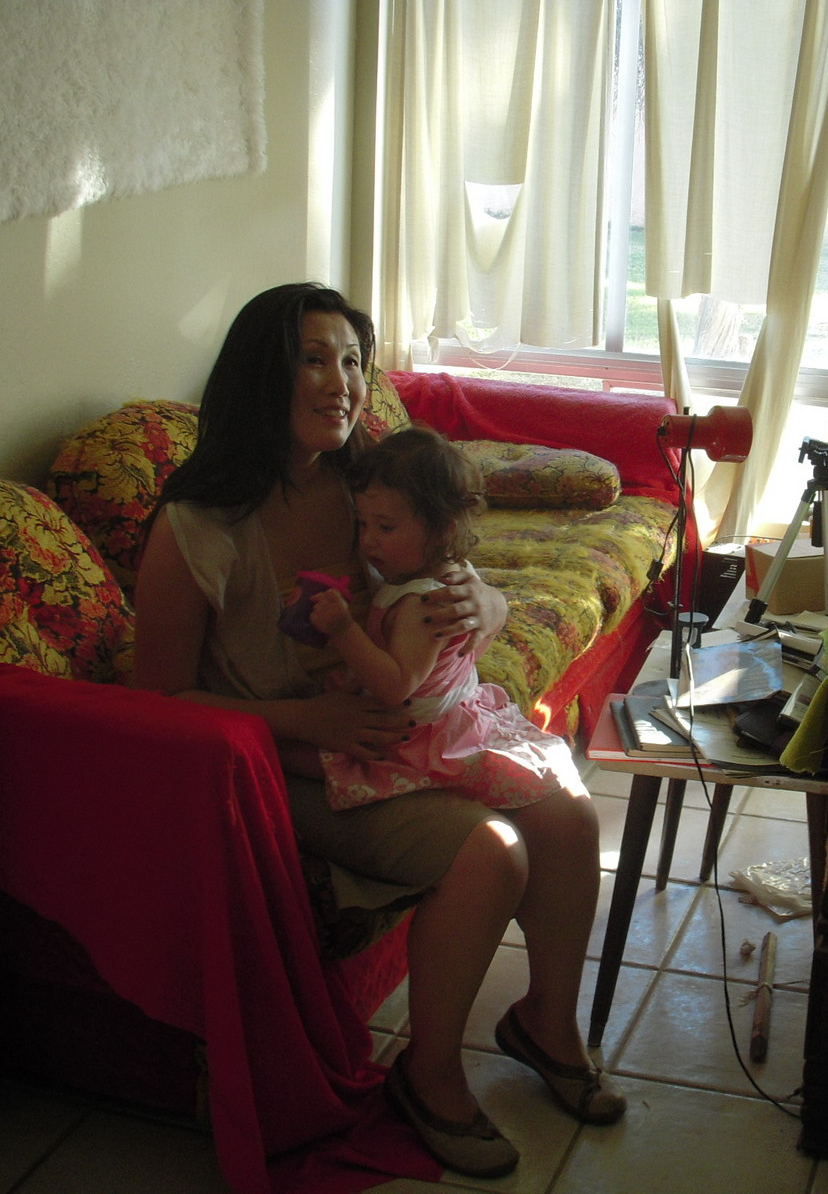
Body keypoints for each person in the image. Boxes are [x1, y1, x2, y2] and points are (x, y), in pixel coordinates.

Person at [133, 283, 622, 1180]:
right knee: (492, 853)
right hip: (282, 763)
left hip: (384, 741)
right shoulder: (195, 526)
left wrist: (488, 602)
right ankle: (427, 1078)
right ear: (263, 375)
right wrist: (305, 719)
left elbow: (454, 567)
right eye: (314, 359)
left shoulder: (362, 480)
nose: (344, 382)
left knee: (569, 813)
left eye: (354, 361)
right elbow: (157, 703)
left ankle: (545, 1025)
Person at [305, 425, 582, 813]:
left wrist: (343, 630)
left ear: (442, 530)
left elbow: (396, 687)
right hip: (454, 708)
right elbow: (474, 647)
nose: (368, 540)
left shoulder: (424, 603)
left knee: (306, 761)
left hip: (420, 737)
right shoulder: (456, 575)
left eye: (385, 527)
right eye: (362, 523)